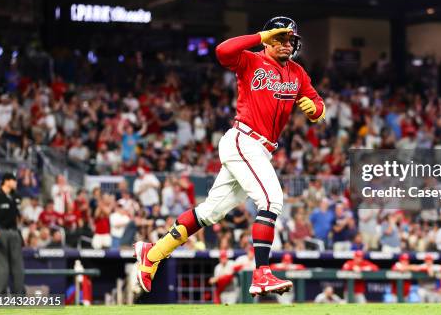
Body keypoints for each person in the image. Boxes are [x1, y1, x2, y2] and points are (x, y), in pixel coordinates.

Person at [134, 17, 325, 297]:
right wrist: (261, 36)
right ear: (269, 38)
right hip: (244, 139)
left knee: (210, 212)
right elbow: (223, 51)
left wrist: (315, 111)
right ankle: (262, 274)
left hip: (261, 149)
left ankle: (153, 253)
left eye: (290, 40)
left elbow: (318, 104)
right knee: (271, 201)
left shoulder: (297, 72)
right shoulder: (250, 60)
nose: (287, 44)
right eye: (281, 38)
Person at [0, 173, 25, 304]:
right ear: (6, 181)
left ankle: (19, 302)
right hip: (0, 233)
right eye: (13, 180)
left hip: (14, 233)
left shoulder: (17, 197)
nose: (16, 182)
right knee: (2, 271)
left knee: (18, 270)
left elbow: (17, 215)